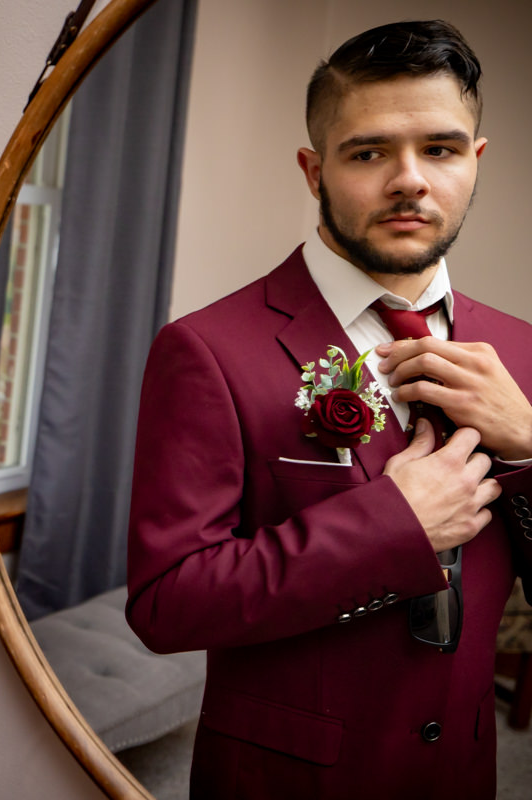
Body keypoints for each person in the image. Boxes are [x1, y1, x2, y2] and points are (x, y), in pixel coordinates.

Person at [125, 19, 532, 800]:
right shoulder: (207, 348)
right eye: (369, 152)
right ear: (315, 170)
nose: (409, 179)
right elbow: (165, 605)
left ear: (475, 163)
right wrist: (392, 526)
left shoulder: (522, 349)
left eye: (440, 150)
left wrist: (528, 451)